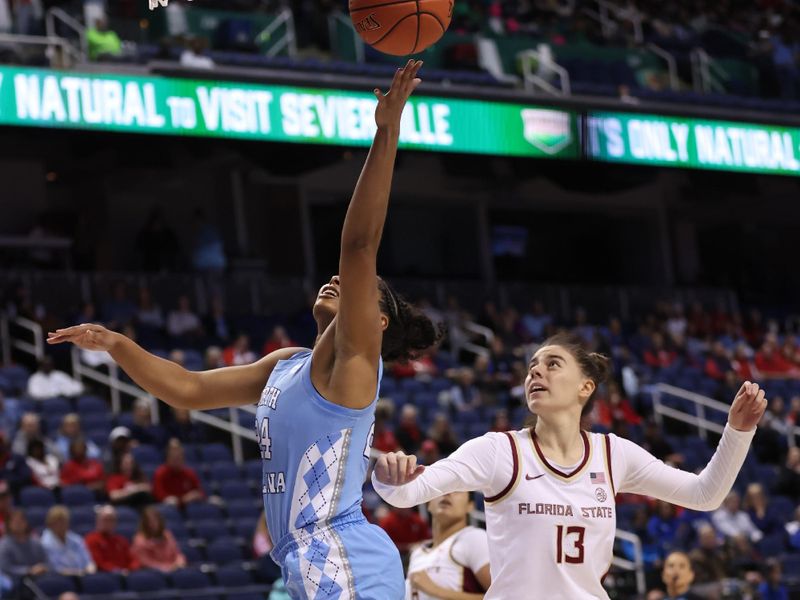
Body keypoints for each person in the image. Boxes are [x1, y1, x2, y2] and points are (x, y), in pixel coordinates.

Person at [48, 60, 439, 600]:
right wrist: (117, 344)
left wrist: (387, 131)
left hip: (338, 551)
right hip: (305, 556)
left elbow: (358, 246)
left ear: (375, 323)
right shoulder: (286, 364)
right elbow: (186, 389)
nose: (339, 279)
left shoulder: (356, 362)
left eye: (361, 288)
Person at [372, 332, 767, 599]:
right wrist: (389, 478)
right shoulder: (500, 451)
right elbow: (409, 492)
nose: (535, 372)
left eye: (552, 363)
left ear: (585, 386)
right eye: (531, 366)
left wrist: (737, 430)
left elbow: (705, 494)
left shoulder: (614, 454)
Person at [405, 492, 490, 600]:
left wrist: (435, 590)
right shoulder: (417, 553)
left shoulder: (473, 538)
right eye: (441, 489)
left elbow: (505, 596)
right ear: (428, 503)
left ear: (470, 506)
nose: (447, 493)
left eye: (457, 490)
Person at [40, 506, 96, 576]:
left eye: (63, 521)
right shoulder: (45, 543)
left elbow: (89, 562)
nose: (61, 525)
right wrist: (77, 573)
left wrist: (90, 570)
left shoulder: (76, 540)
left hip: (82, 577)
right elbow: (54, 569)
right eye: (57, 522)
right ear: (50, 524)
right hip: (61, 579)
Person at [84, 505, 140, 573]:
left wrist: (130, 570)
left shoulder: (121, 540)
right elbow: (98, 562)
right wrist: (118, 571)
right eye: (105, 519)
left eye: (111, 520)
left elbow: (133, 559)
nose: (108, 523)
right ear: (98, 521)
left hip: (125, 575)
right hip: (106, 576)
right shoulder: (91, 539)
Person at [131, 506, 186, 572]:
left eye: (155, 520)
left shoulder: (167, 534)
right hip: (156, 574)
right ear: (144, 523)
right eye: (149, 521)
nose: (152, 524)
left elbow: (177, 553)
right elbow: (146, 563)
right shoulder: (139, 541)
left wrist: (179, 561)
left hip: (174, 569)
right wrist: (169, 568)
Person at [152, 439, 204, 507]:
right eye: (174, 458)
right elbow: (159, 496)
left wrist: (197, 495)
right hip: (169, 510)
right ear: (168, 459)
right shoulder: (160, 473)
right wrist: (182, 500)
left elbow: (200, 493)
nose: (177, 461)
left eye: (179, 457)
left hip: (189, 507)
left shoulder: (189, 473)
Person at [0, 510, 48, 577]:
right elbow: (5, 568)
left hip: (40, 576)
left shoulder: (35, 542)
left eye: (21, 520)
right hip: (16, 580)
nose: (18, 524)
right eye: (15, 521)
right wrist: (28, 570)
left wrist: (43, 567)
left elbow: (46, 561)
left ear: (26, 523)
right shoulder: (4, 544)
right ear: (9, 524)